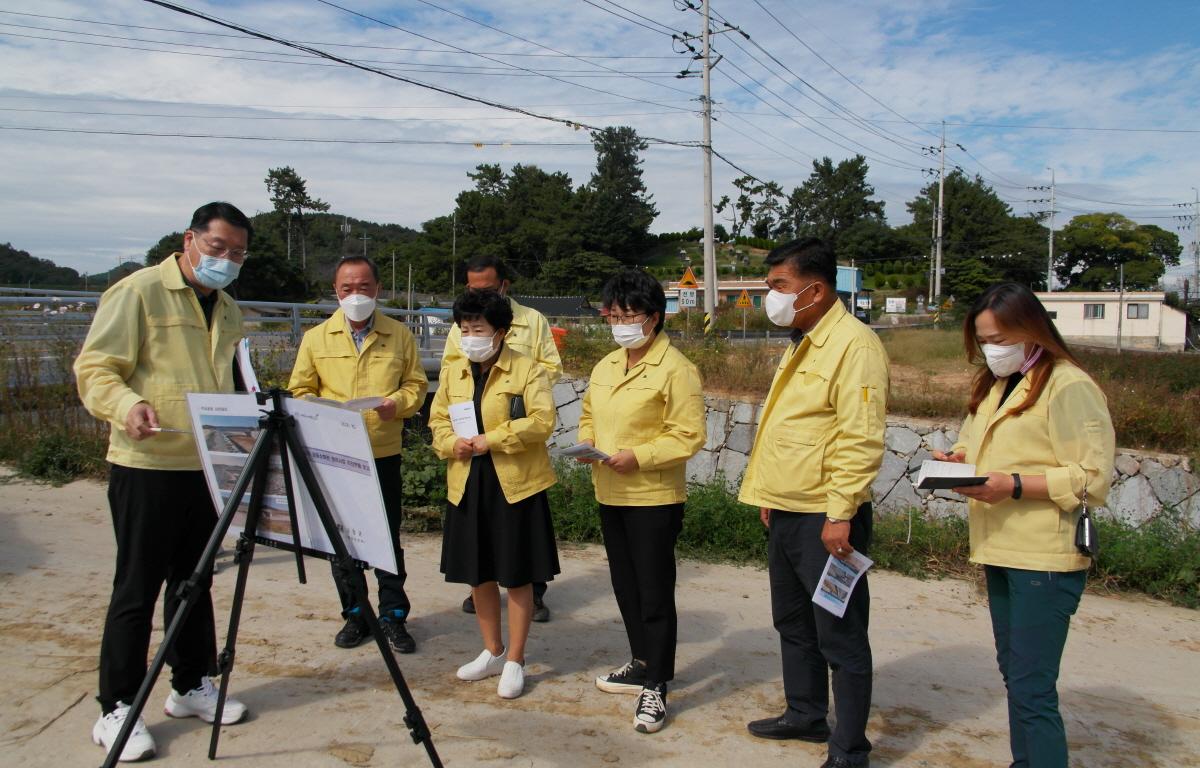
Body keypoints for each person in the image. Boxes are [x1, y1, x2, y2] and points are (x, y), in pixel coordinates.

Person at [75, 202, 254, 762]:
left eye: (239, 253)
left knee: (193, 583)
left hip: (204, 467)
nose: (226, 260)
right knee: (137, 587)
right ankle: (117, 705)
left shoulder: (228, 309)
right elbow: (96, 368)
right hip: (146, 464)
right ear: (190, 240)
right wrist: (126, 405)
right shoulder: (138, 292)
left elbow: (232, 381)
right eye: (218, 247)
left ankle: (189, 684)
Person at [934, 282, 1114, 768]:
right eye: (984, 340)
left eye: (1000, 338)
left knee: (1033, 686)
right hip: (999, 547)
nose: (993, 350)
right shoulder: (998, 386)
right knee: (1015, 674)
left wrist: (1011, 485)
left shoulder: (1069, 384)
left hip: (1044, 556)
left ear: (1032, 329)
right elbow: (977, 447)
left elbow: (1091, 477)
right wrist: (956, 462)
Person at [738, 238, 888, 768]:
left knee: (839, 634)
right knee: (794, 622)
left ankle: (849, 749)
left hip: (826, 518)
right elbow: (794, 427)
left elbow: (860, 437)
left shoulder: (854, 345)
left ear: (816, 289)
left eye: (778, 286)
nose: (769, 297)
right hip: (787, 508)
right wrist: (769, 495)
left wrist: (840, 512)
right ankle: (804, 713)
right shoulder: (804, 338)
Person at [576, 269, 705, 734]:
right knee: (625, 585)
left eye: (628, 314)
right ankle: (639, 661)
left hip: (652, 496)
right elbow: (590, 412)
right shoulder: (608, 365)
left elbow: (689, 435)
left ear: (653, 317)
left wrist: (641, 456)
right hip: (610, 491)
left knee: (654, 591)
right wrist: (587, 440)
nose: (618, 322)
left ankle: (657, 683)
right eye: (614, 314)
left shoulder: (677, 369)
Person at [288, 256, 428, 653]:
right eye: (347, 288)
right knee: (341, 541)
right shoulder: (316, 338)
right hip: (334, 457)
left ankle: (393, 616)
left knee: (385, 537)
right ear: (335, 291)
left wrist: (396, 403)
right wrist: (322, 411)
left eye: (363, 287)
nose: (356, 295)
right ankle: (355, 614)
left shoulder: (399, 335)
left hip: (382, 452)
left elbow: (416, 385)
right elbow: (299, 390)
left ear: (378, 289)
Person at [429, 289, 559, 700]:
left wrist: (493, 440)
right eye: (464, 328)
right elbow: (436, 421)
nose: (470, 336)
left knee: (516, 574)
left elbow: (542, 421)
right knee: (478, 572)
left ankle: (516, 660)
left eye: (478, 328)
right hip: (467, 481)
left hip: (515, 484)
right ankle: (492, 650)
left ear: (500, 332)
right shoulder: (454, 372)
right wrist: (453, 444)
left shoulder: (526, 370)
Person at [444, 255, 561, 622]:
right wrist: (451, 439)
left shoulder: (532, 322)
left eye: (488, 289)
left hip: (513, 428)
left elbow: (549, 371)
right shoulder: (460, 327)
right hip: (470, 439)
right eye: (472, 289)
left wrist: (519, 392)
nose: (471, 335)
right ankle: (482, 591)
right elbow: (452, 371)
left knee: (520, 538)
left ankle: (531, 593)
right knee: (481, 533)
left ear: (504, 286)